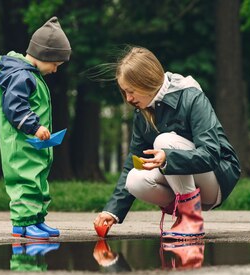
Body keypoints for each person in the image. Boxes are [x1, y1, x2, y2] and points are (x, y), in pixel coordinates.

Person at [94, 46, 241, 240]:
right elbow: (133, 161)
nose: (128, 99)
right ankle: (183, 214)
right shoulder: (143, 112)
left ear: (146, 82)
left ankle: (191, 219)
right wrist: (112, 211)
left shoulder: (191, 96)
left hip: (217, 179)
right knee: (134, 179)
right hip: (185, 183)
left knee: (164, 141)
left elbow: (211, 154)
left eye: (131, 91)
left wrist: (167, 158)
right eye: (124, 92)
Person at [0, 17, 71, 240]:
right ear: (44, 54)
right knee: (25, 181)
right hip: (21, 145)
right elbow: (15, 106)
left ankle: (36, 219)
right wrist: (35, 127)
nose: (55, 70)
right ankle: (24, 224)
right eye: (55, 64)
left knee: (37, 180)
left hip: (32, 146)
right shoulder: (21, 75)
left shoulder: (30, 75)